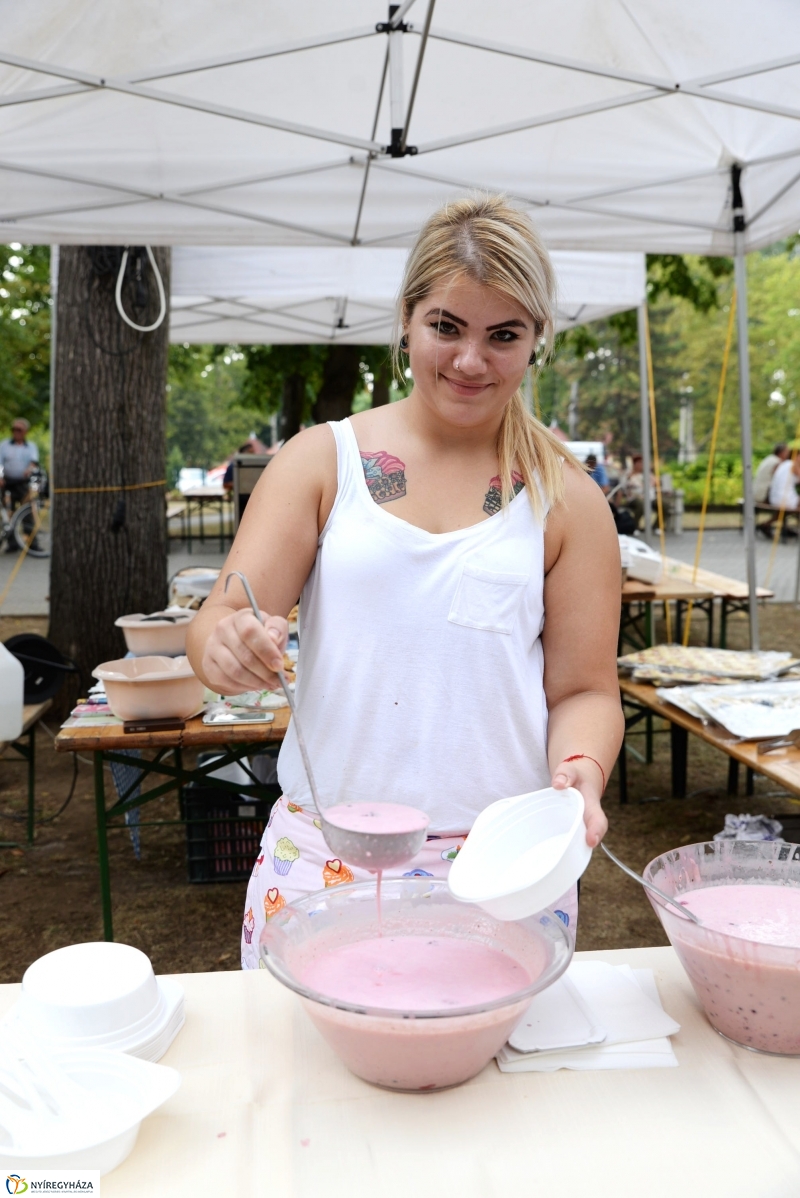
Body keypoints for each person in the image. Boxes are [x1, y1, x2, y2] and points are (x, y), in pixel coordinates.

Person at [186, 195, 624, 969]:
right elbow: (223, 612)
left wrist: (580, 773)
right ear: (406, 319)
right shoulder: (322, 462)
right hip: (327, 852)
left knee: (494, 1085)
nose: (469, 360)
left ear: (536, 342)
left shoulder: (568, 498)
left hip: (503, 865)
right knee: (309, 1082)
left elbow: (585, 690)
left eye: (504, 336)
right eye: (446, 327)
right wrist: (222, 645)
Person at [0, 418, 38, 510]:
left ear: (25, 431)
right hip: (7, 482)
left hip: (23, 483)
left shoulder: (31, 446)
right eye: (14, 429)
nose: (16, 432)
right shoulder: (4, 445)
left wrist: (29, 469)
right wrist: (0, 477)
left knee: (27, 509)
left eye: (19, 430)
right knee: (7, 509)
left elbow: (33, 462)